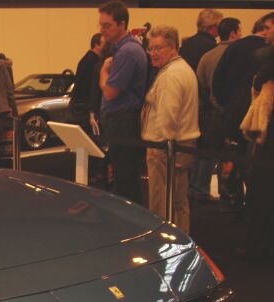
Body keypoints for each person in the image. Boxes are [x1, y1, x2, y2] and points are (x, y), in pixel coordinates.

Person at [141, 25, 200, 233]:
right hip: (178, 148)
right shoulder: (182, 69)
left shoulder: (171, 76)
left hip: (166, 150)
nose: (153, 54)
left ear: (173, 47)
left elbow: (167, 119)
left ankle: (166, 247)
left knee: (163, 205)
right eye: (151, 48)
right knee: (178, 202)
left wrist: (162, 151)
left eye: (158, 48)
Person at [212, 15, 273, 212]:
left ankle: (233, 201)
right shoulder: (263, 55)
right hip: (258, 124)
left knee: (240, 162)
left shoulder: (234, 49)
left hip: (238, 116)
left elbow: (216, 83)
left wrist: (225, 107)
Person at [98, 1, 148, 205]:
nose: (102, 30)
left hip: (122, 121)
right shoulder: (126, 49)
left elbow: (110, 92)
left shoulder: (127, 52)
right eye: (101, 25)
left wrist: (103, 72)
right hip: (121, 121)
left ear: (122, 24)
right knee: (123, 176)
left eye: (107, 25)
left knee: (125, 179)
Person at [191, 17, 242, 202]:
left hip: (209, 111)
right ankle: (226, 193)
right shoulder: (238, 55)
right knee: (226, 154)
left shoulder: (208, 56)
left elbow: (200, 83)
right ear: (233, 33)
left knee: (205, 151)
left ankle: (198, 188)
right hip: (227, 112)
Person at [239, 49, 274, 260]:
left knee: (262, 199)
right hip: (267, 148)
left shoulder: (265, 80)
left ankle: (258, 248)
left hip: (267, 149)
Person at [69, 33, 104, 134]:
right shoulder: (93, 62)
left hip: (79, 108)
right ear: (96, 44)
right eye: (104, 43)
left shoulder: (85, 59)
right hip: (85, 110)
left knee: (81, 144)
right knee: (89, 141)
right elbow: (90, 88)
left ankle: (80, 151)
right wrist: (91, 112)